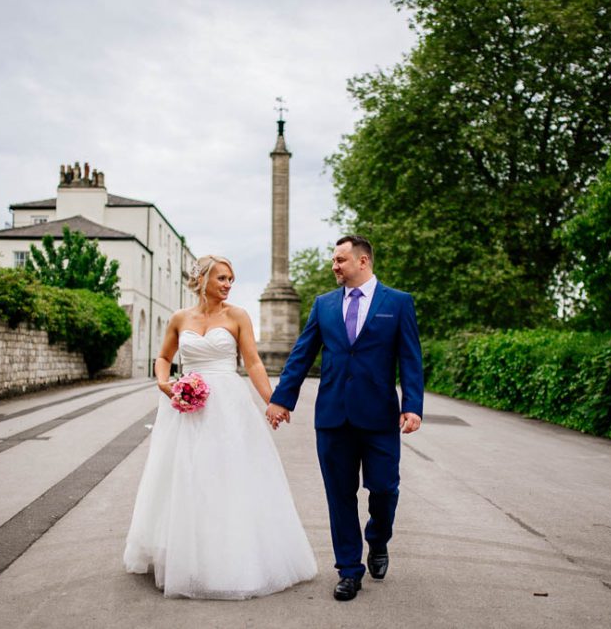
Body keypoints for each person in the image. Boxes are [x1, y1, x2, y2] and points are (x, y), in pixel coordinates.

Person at [123, 255, 317, 599]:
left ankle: (231, 558)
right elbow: (164, 357)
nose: (228, 285)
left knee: (226, 476)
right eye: (223, 278)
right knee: (185, 476)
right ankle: (188, 556)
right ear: (203, 279)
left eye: (231, 279)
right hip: (185, 406)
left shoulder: (238, 316)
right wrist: (165, 383)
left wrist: (273, 400)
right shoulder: (180, 318)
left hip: (227, 404)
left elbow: (254, 362)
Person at [266, 235, 423, 602]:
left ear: (363, 261)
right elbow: (302, 355)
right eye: (334, 260)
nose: (334, 266)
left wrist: (412, 404)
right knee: (340, 496)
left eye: (340, 260)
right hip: (333, 417)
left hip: (380, 417)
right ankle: (349, 570)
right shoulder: (323, 306)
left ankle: (378, 539)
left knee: (384, 489)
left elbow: (410, 358)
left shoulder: (397, 303)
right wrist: (281, 399)